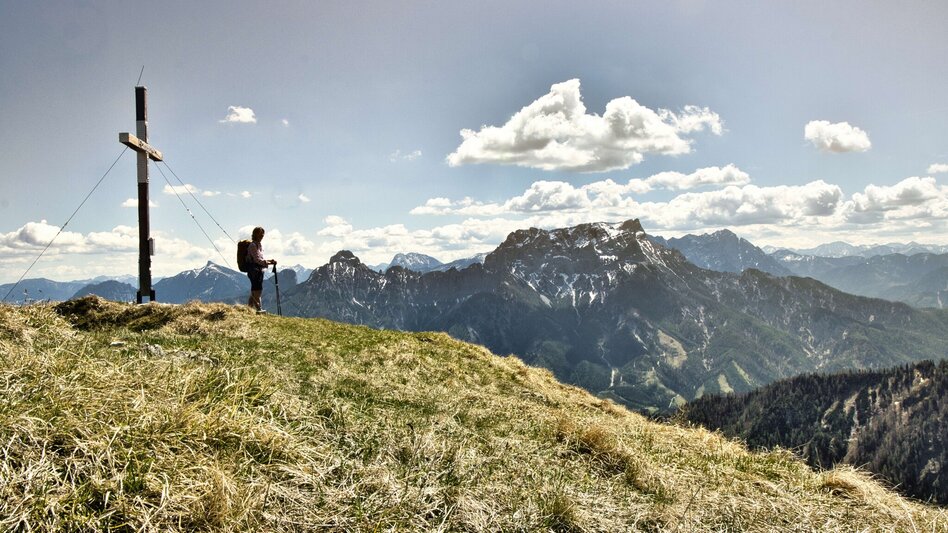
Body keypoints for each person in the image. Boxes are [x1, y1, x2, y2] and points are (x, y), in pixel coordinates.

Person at [246, 226, 276, 312]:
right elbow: (257, 260)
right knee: (257, 291)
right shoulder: (252, 245)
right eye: (260, 234)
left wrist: (269, 261)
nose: (262, 236)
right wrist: (269, 263)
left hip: (258, 271)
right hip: (254, 271)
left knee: (254, 291)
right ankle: (259, 310)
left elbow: (260, 259)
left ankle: (249, 309)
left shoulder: (259, 245)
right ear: (255, 234)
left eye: (263, 234)